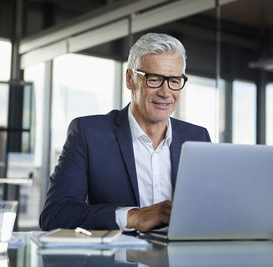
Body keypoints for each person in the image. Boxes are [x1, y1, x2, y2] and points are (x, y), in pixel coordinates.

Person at [39, 33, 211, 232]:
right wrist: (134, 217)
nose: (165, 92)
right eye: (154, 79)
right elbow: (55, 214)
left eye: (174, 81)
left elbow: (212, 209)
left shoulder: (198, 138)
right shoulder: (88, 134)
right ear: (130, 79)